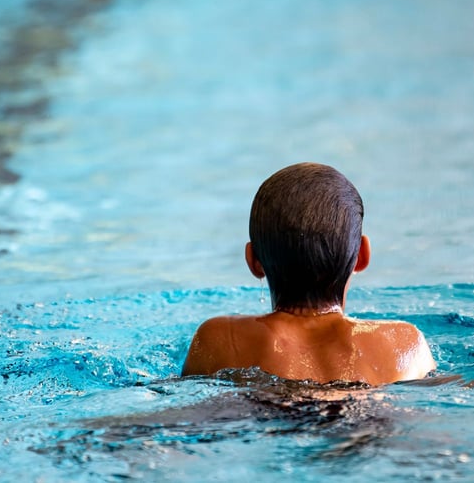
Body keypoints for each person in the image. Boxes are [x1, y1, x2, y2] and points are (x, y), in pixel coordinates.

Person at [182, 162, 436, 384]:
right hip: (363, 422)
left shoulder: (219, 338)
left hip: (264, 417)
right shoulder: (402, 343)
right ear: (361, 256)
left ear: (253, 261)